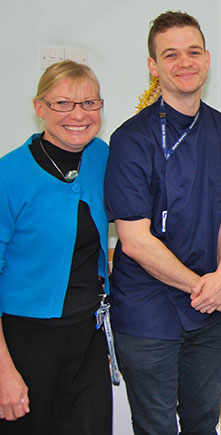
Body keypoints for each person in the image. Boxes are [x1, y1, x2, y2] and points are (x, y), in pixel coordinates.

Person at [104, 11, 221, 434]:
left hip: (207, 308)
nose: (185, 62)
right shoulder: (131, 139)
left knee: (203, 420)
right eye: (171, 54)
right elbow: (134, 240)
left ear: (207, 58)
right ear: (154, 65)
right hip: (150, 310)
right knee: (157, 426)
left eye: (193, 52)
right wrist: (210, 289)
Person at [0, 60, 111, 434]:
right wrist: (3, 373)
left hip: (88, 334)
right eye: (63, 103)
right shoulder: (9, 176)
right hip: (26, 342)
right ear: (39, 108)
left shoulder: (101, 157)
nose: (78, 115)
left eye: (89, 103)